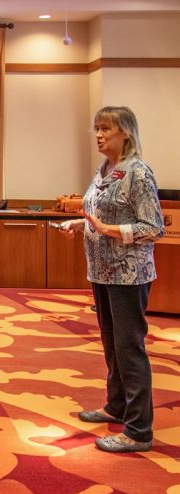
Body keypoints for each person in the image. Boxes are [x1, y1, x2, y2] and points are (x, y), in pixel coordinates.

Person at [60, 106, 164, 453]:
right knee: (111, 344)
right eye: (97, 129)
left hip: (129, 275)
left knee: (129, 348)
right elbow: (99, 214)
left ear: (126, 134)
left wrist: (111, 230)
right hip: (102, 272)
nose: (99, 135)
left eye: (106, 129)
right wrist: (82, 225)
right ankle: (116, 405)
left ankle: (138, 430)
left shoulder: (138, 173)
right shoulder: (106, 169)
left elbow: (153, 228)